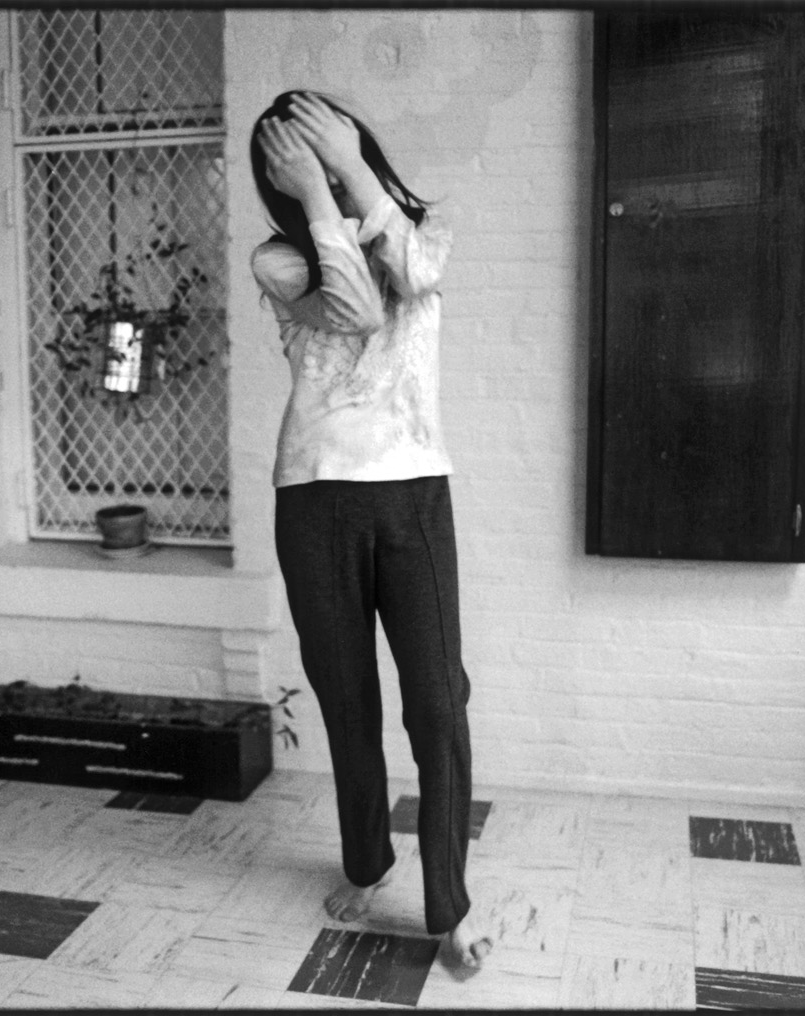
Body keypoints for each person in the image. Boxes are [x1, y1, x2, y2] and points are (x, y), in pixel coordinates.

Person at [249, 90, 492, 971]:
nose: (317, 164)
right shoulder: (280, 259)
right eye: (297, 158)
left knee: (437, 700)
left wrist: (347, 172)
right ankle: (365, 863)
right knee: (347, 700)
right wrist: (318, 198)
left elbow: (413, 277)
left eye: (330, 144)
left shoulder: (423, 229)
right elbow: (351, 307)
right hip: (313, 497)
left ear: (356, 141)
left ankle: (450, 905)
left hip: (412, 491)